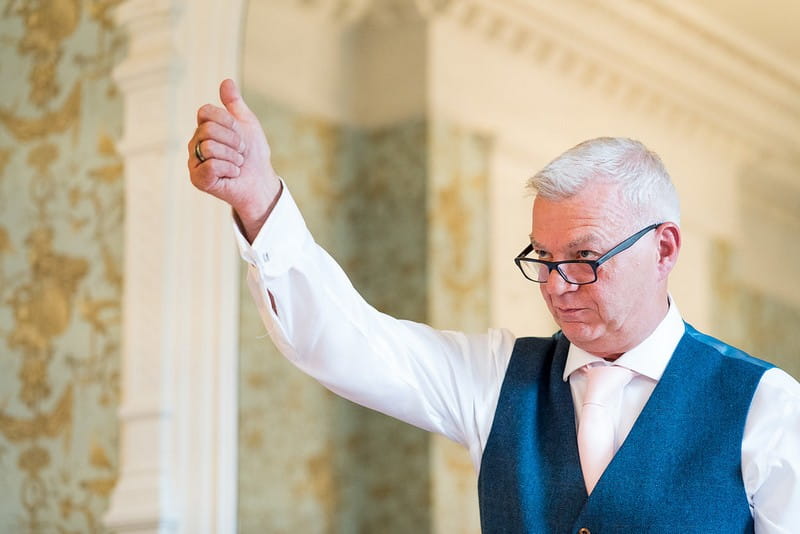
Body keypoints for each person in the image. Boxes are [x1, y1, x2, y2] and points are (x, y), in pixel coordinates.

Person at [188, 79, 800, 533]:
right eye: (543, 258)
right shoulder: (497, 379)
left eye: (584, 257)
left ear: (664, 247)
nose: (557, 285)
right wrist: (259, 200)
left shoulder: (764, 404)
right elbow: (349, 343)